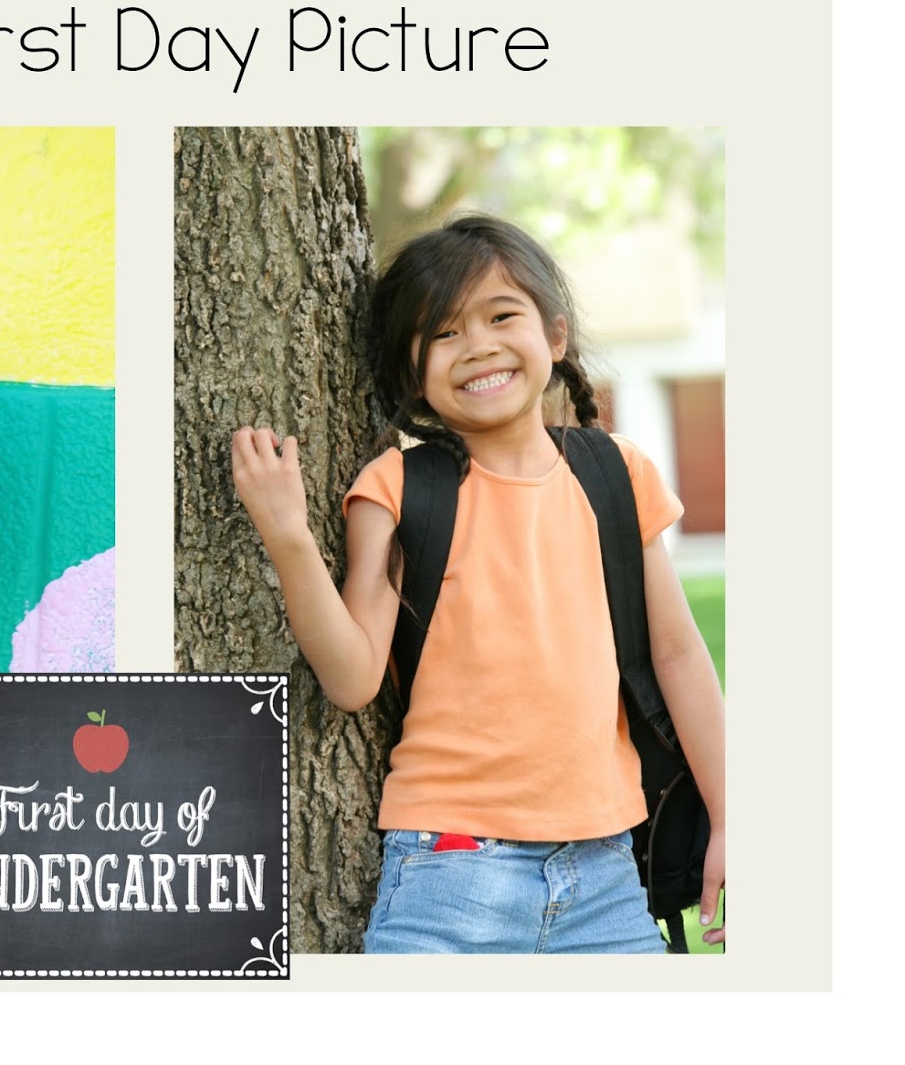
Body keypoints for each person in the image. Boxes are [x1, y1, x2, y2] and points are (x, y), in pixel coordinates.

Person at [231, 215, 725, 954]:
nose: (480, 346)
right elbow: (353, 676)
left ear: (554, 337)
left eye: (501, 315)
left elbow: (680, 656)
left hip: (608, 877)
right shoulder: (398, 487)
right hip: (447, 871)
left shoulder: (616, 473)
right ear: (413, 373)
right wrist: (288, 535)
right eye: (444, 333)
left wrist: (730, 815)